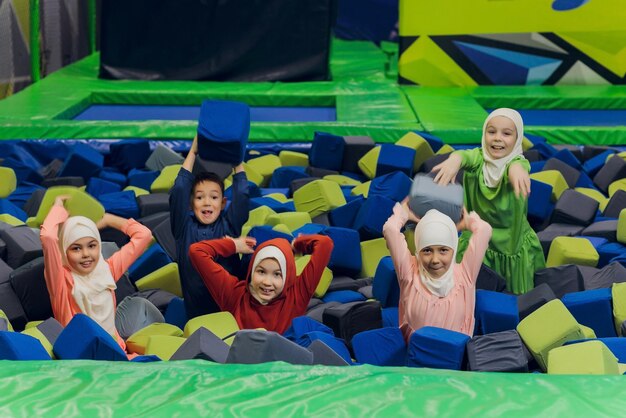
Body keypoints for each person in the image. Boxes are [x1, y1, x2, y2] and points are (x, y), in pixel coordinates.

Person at [431, 108, 545, 294]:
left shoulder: (517, 163)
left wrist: (517, 171)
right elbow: (465, 155)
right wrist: (454, 160)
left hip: (509, 243)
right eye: (491, 132)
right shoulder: (478, 160)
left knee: (512, 302)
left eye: (506, 133)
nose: (497, 138)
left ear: (517, 139)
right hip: (477, 240)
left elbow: (518, 166)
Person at [40, 195, 152, 352]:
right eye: (76, 248)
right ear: (64, 251)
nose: (86, 254)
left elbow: (144, 235)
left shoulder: (108, 269)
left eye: (92, 246)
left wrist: (108, 219)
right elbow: (48, 237)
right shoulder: (60, 280)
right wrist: (58, 208)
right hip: (80, 355)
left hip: (114, 350)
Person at [383, 200, 492, 341]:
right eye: (427, 250)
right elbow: (390, 230)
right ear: (418, 250)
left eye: (443, 250)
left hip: (454, 359)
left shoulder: (465, 276)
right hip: (417, 358)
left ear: (453, 250)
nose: (435, 259)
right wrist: (403, 214)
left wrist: (469, 221)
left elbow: (485, 230)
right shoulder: (409, 274)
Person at [170, 135, 249, 319]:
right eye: (199, 197)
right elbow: (180, 189)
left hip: (230, 314)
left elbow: (242, 193)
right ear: (191, 204)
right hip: (197, 317)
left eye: (213, 197)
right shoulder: (183, 228)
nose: (207, 203)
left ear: (223, 203)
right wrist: (193, 152)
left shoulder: (229, 226)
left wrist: (236, 158)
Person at [188, 234, 333, 334]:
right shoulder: (234, 294)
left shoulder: (296, 294)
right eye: (261, 272)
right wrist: (233, 245)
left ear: (287, 277)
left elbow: (325, 244)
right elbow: (196, 251)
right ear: (251, 270)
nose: (267, 282)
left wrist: (298, 245)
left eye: (277, 274)